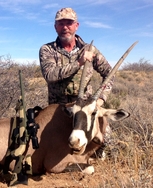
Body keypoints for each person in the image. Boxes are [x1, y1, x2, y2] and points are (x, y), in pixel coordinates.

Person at [39, 7, 113, 159]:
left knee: (107, 137)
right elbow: (50, 75)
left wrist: (101, 99)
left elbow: (109, 74)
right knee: (53, 145)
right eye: (61, 23)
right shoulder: (47, 50)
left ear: (76, 26)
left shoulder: (90, 50)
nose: (65, 27)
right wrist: (78, 63)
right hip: (58, 110)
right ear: (55, 27)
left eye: (69, 23)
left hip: (86, 108)